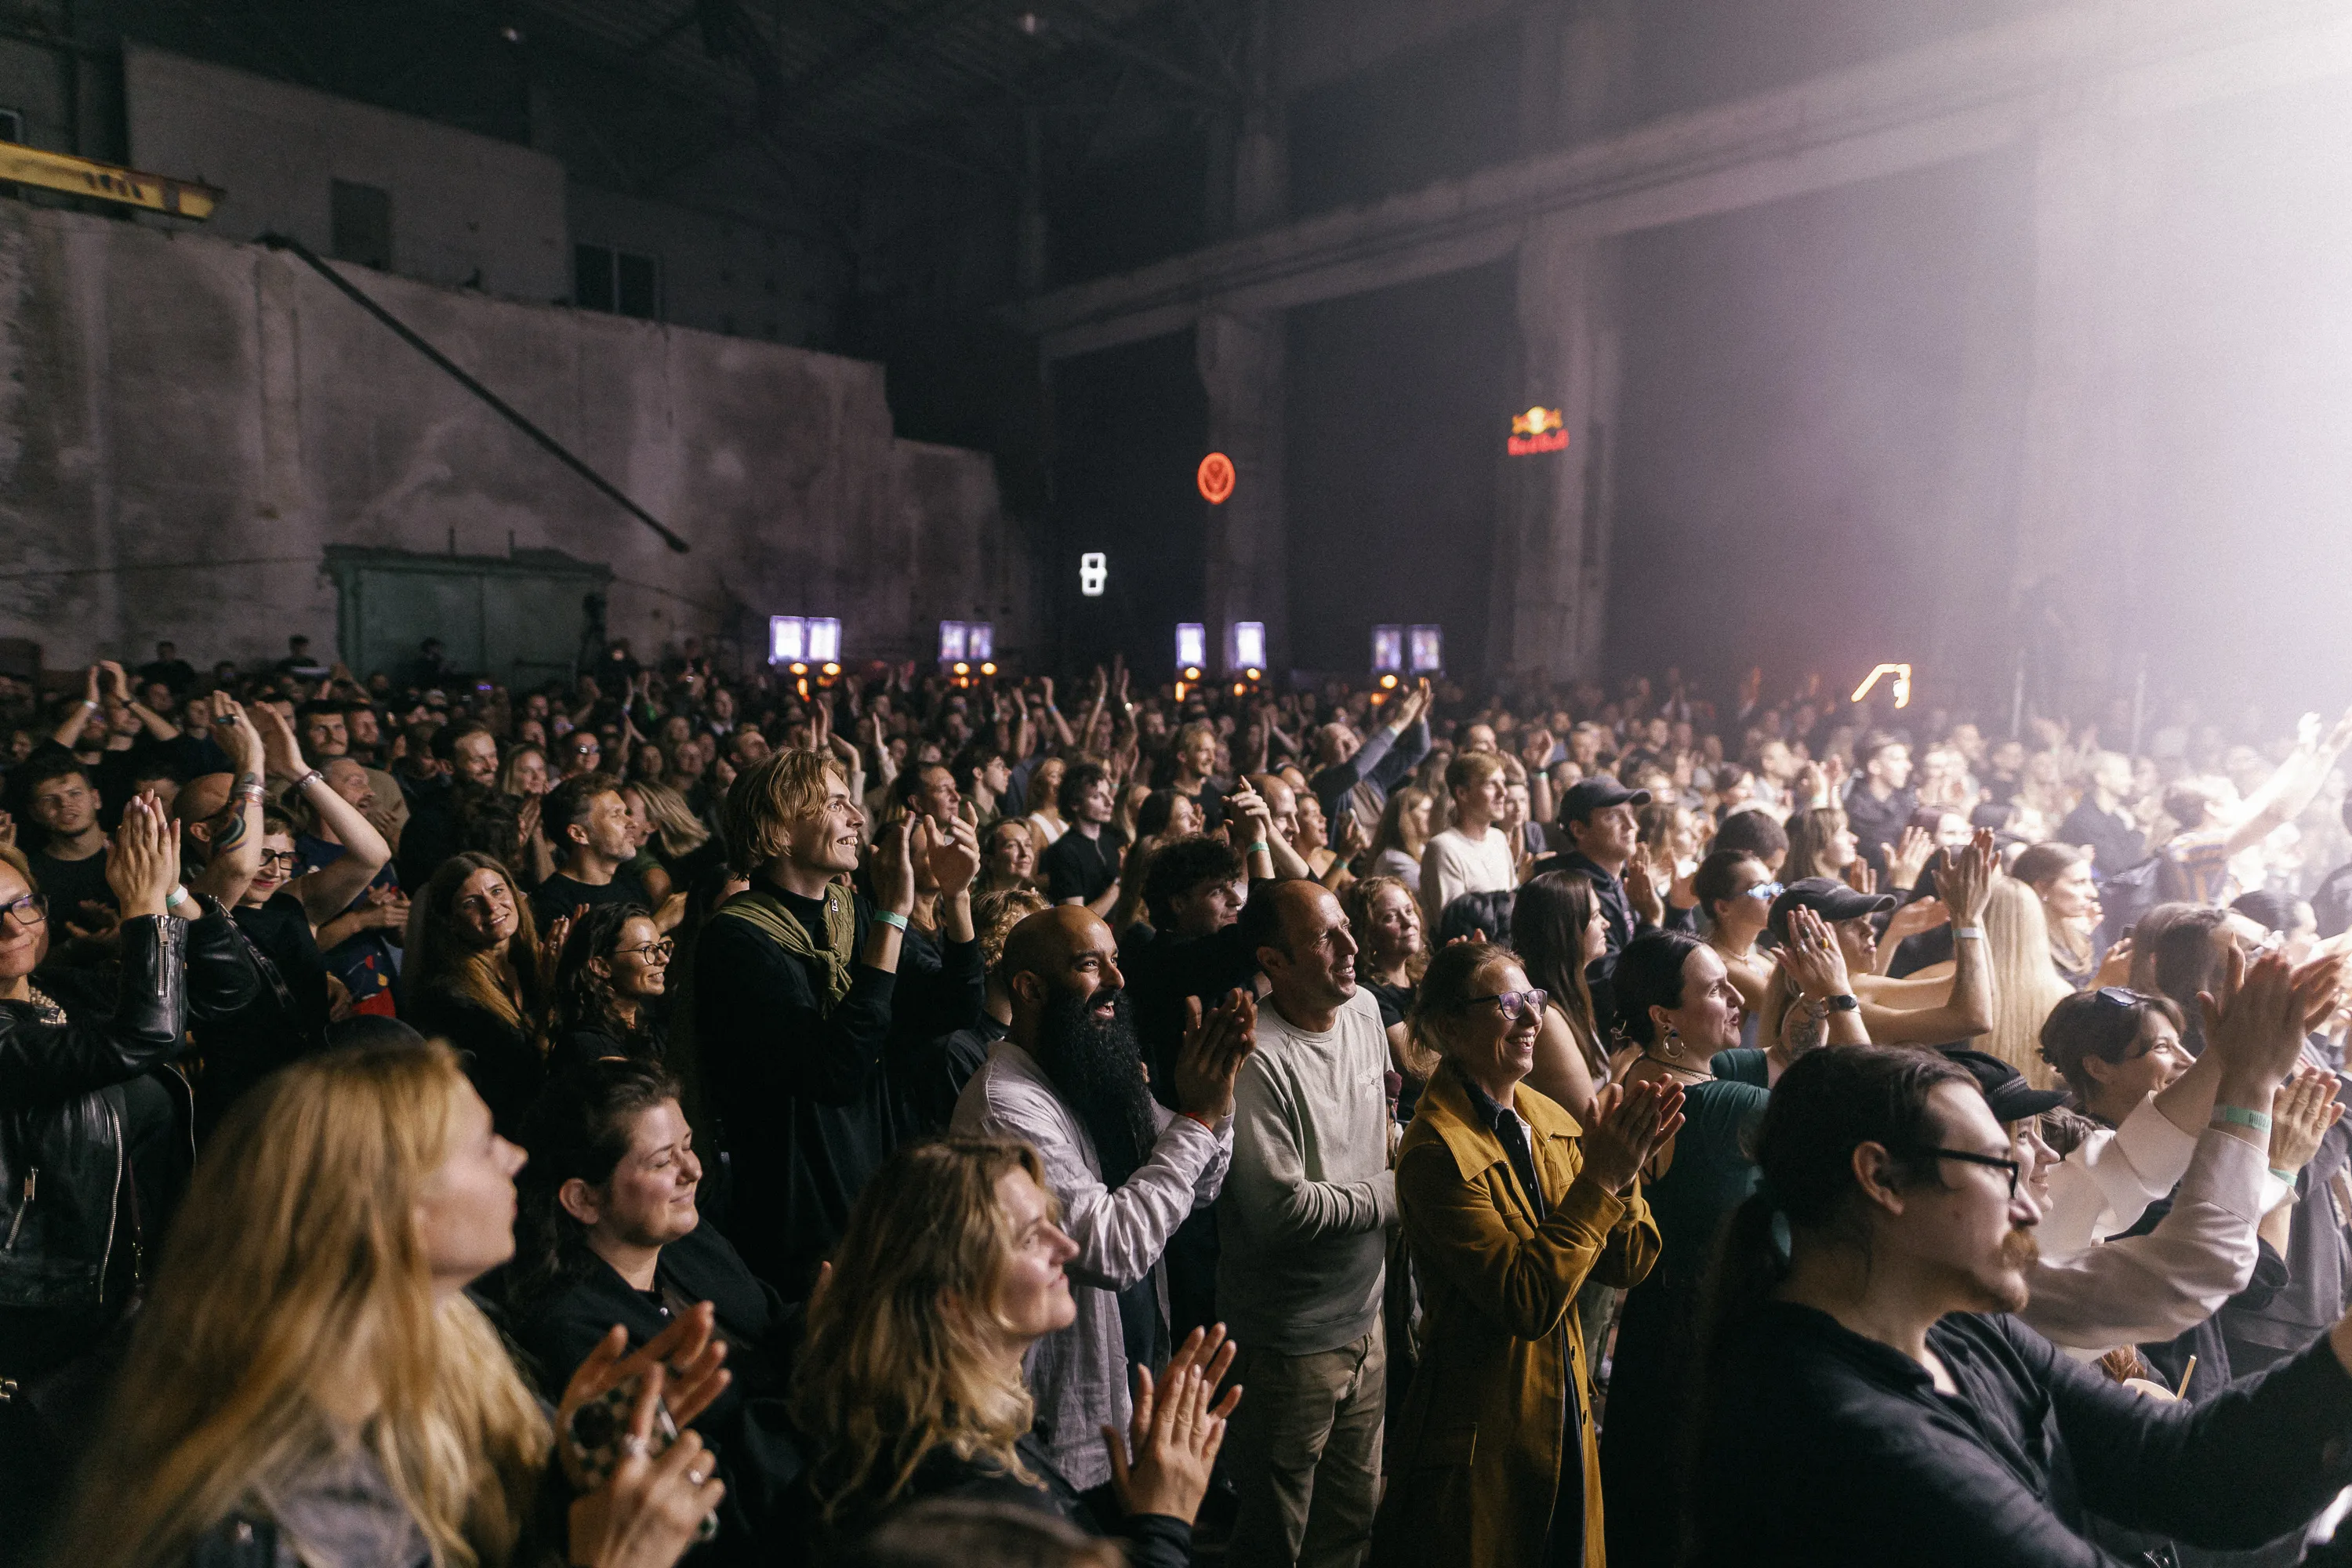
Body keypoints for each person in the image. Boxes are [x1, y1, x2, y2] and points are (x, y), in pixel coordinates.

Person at [1686, 955, 2352, 1567]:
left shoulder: (1962, 1326)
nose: (2033, 1208)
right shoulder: (1838, 1424)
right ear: (1882, 1180)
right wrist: (2245, 1087)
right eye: (2002, 1170)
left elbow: (2186, 1469)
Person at [53, 1039, 727, 1568]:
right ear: (393, 1210)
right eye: (482, 1144)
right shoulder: (273, 1519)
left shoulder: (452, 1339)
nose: (517, 1156)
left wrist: (571, 1469)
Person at [0, 801, 263, 1562]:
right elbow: (145, 1034)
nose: (13, 922)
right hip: (36, 1327)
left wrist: (174, 895)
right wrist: (141, 910)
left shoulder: (68, 996)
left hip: (131, 1304)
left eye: (24, 901)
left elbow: (227, 995)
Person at [1373, 941, 1677, 1568]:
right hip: (1488, 1423)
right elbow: (1526, 1299)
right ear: (1452, 1026)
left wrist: (1627, 1170)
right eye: (1509, 1004)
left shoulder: (1550, 1117)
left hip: (1563, 1403)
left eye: (1534, 1000)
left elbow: (1632, 1261)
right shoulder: (1436, 1150)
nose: (1533, 1018)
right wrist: (1600, 1182)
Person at [790, 1138, 1235, 1567]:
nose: (1067, 1248)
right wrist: (1165, 1525)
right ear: (953, 1302)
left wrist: (1131, 1504)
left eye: (1050, 1222)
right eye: (1029, 1239)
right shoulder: (968, 1493)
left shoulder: (931, 1421)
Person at [951, 906, 1252, 1504]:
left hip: (1129, 1399)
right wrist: (1194, 1118)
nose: (1117, 980)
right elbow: (1112, 1249)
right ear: (1030, 989)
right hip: (1059, 1430)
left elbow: (1203, 1182)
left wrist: (1213, 1100)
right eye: (1092, 965)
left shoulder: (1089, 1074)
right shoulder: (1007, 1107)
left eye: (1116, 961)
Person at [1597, 923, 1847, 1568]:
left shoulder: (1633, 1079)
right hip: (1719, 1341)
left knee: (1648, 1513)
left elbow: (1780, 1053)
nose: (1737, 998)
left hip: (1653, 1335)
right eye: (1716, 990)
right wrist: (1841, 997)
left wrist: (1808, 1004)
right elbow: (1856, 1106)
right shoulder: (1727, 1107)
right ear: (1664, 1015)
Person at [691, 749, 978, 1299]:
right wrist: (894, 914)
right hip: (799, 1204)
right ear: (778, 828)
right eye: (836, 804)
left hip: (874, 1177)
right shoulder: (737, 939)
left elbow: (954, 1009)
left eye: (853, 803)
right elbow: (834, 1071)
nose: (857, 818)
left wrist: (956, 896)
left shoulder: (850, 914)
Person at [510, 1059, 800, 1563]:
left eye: (688, 1145)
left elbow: (771, 1322)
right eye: (665, 1161)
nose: (694, 1170)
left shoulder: (688, 1241)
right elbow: (720, 1478)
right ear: (583, 1199)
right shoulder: (574, 1331)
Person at [1218, 880, 1396, 1568]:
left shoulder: (1366, 1012)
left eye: (1348, 927)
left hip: (1366, 1319)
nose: (1354, 947)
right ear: (1276, 960)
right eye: (1327, 938)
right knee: (1272, 1540)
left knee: (1349, 1528)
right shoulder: (1257, 1055)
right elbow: (1279, 1211)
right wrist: (1396, 1191)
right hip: (1288, 1344)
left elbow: (1381, 1131)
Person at [405, 851, 554, 1136]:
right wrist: (551, 996)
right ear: (449, 921)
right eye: (471, 903)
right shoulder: (446, 996)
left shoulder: (533, 963)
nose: (492, 907)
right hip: (507, 1133)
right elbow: (521, 1078)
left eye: (498, 891)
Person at [1510, 870, 1610, 1109]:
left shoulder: (1570, 997)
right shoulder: (1546, 1018)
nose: (1606, 923)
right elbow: (1587, 1120)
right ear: (1566, 929)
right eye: (1595, 915)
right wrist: (1630, 1067)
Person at [551, 902, 672, 1070]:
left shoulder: (647, 1028)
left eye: (660, 947)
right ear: (601, 967)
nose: (663, 959)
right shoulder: (590, 1046)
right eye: (647, 949)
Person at [534, 771, 653, 929]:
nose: (632, 823)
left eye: (626, 813)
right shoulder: (551, 903)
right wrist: (662, 922)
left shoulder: (631, 886)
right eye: (616, 815)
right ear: (579, 834)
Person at [1417, 752, 1516, 929]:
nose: (1503, 792)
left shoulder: (1498, 839)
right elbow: (1453, 924)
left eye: (1503, 782)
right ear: (1462, 793)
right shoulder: (1443, 848)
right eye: (1490, 784)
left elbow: (1510, 910)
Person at [2011, 840, 2102, 987]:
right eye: (2079, 883)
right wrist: (2103, 981)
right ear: (2042, 888)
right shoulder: (2023, 944)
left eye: (2090, 882)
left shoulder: (2076, 933)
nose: (2093, 893)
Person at [1040, 762, 1123, 917]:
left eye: (1108, 794)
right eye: (1097, 796)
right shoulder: (1064, 851)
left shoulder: (1111, 842)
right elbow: (1077, 919)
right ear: (1075, 804)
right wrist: (1120, 883)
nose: (1110, 802)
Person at [2060, 750, 2147, 877]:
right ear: (2101, 778)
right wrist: (2141, 831)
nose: (2131, 781)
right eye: (2123, 775)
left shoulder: (2116, 819)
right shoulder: (2084, 819)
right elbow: (2118, 866)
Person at [1840, 731, 1915, 873]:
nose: (1908, 766)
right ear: (1874, 766)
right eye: (1897, 760)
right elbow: (1882, 855)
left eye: (1906, 759)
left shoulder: (1904, 802)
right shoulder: (1856, 807)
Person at [1366, 786, 1434, 891]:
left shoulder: (1423, 848)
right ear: (1406, 816)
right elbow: (1430, 893)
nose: (1433, 816)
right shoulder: (1394, 859)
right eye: (1426, 811)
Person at [978, 817, 1040, 897]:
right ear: (988, 860)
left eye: (1027, 845)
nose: (1024, 853)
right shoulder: (976, 907)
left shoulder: (1041, 903)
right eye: (1012, 845)